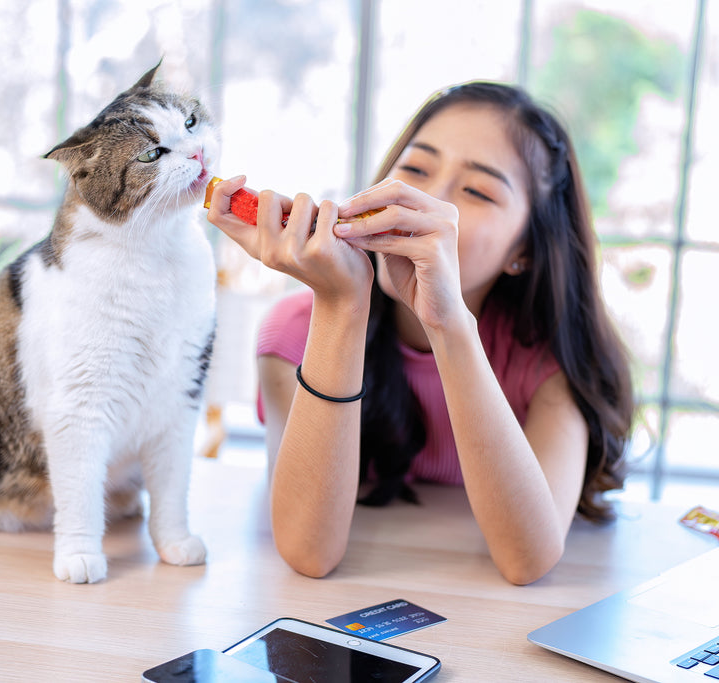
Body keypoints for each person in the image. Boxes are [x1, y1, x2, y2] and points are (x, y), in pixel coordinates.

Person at [206, 82, 633, 586]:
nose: (426, 200)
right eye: (415, 169)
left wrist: (448, 323)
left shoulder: (550, 358)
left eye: (478, 191)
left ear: (525, 251)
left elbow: (527, 559)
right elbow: (308, 551)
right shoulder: (295, 331)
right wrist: (342, 306)